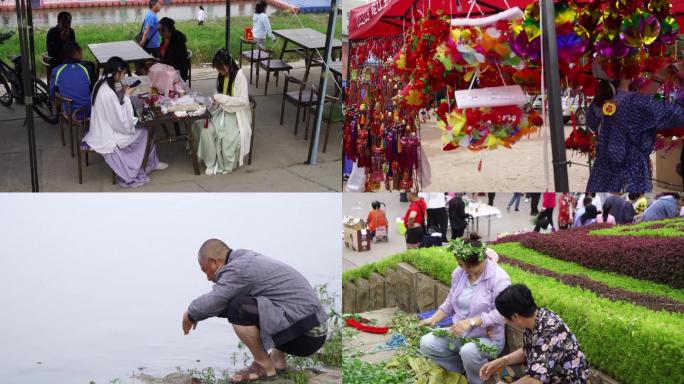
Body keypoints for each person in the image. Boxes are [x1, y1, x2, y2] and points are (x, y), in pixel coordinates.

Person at [183, 239, 328, 383]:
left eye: (205, 270)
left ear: (214, 262)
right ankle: (278, 362)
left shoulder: (238, 269)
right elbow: (219, 304)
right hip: (313, 328)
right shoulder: (245, 259)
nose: (208, 278)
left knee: (238, 307)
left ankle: (264, 366)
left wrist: (190, 313)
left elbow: (216, 300)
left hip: (307, 336)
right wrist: (201, 313)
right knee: (259, 301)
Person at [419, 233, 511, 384]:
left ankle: (477, 380)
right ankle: (461, 370)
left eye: (470, 266)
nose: (466, 270)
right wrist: (433, 319)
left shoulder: (499, 279)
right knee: (427, 343)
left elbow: (503, 314)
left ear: (482, 260)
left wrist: (472, 321)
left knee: (469, 351)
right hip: (459, 334)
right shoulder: (459, 273)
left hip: (488, 339)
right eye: (462, 265)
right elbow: (450, 300)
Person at [587, 62, 684, 192]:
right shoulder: (634, 104)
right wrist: (674, 80)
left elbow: (640, 101)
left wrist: (657, 78)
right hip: (630, 181)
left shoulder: (597, 105)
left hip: (600, 179)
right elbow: (678, 114)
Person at [480, 284, 589, 384]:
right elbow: (528, 349)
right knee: (503, 372)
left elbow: (535, 380)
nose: (505, 320)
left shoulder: (548, 332)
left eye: (505, 317)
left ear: (515, 317)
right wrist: (501, 361)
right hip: (547, 375)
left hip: (567, 381)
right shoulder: (538, 317)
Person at [84, 56, 167, 187]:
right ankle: (149, 164)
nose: (123, 77)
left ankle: (152, 162)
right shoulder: (107, 93)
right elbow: (121, 123)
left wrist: (122, 93)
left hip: (100, 129)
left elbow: (114, 110)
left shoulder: (100, 83)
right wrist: (127, 96)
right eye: (122, 73)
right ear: (117, 72)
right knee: (146, 132)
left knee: (142, 129)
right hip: (108, 135)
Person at [194, 49, 252, 175]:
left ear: (228, 64)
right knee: (204, 128)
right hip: (222, 111)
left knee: (226, 139)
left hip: (236, 114)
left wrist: (222, 98)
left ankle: (224, 164)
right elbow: (219, 95)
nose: (220, 71)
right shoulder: (221, 76)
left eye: (221, 68)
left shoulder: (240, 77)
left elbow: (243, 101)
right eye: (218, 69)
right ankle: (209, 161)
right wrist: (215, 100)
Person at [48, 42, 94, 114]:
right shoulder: (86, 69)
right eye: (81, 51)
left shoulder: (57, 70)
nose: (82, 54)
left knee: (56, 92)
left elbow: (51, 92)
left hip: (70, 111)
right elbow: (90, 88)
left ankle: (60, 115)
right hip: (88, 110)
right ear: (76, 53)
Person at [158, 17, 189, 81]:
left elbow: (175, 62)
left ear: (170, 29)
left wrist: (161, 65)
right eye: (159, 30)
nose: (160, 33)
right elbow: (164, 57)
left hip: (177, 73)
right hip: (167, 68)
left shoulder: (178, 42)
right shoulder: (165, 39)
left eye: (163, 30)